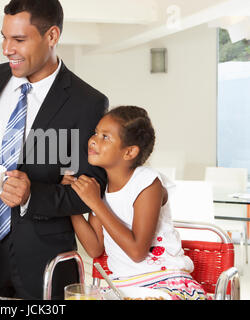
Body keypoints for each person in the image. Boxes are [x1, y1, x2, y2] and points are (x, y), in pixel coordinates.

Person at [0, 0, 108, 299]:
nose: (7, 48)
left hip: (44, 258)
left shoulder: (87, 102)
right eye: (3, 37)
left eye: (18, 39)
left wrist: (33, 195)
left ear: (52, 36)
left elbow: (91, 189)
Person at [63, 106, 209, 300]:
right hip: (122, 287)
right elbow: (95, 248)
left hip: (164, 282)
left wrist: (95, 202)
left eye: (105, 137)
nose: (93, 140)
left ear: (129, 152)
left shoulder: (147, 183)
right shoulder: (101, 189)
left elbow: (137, 251)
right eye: (96, 133)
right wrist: (72, 201)